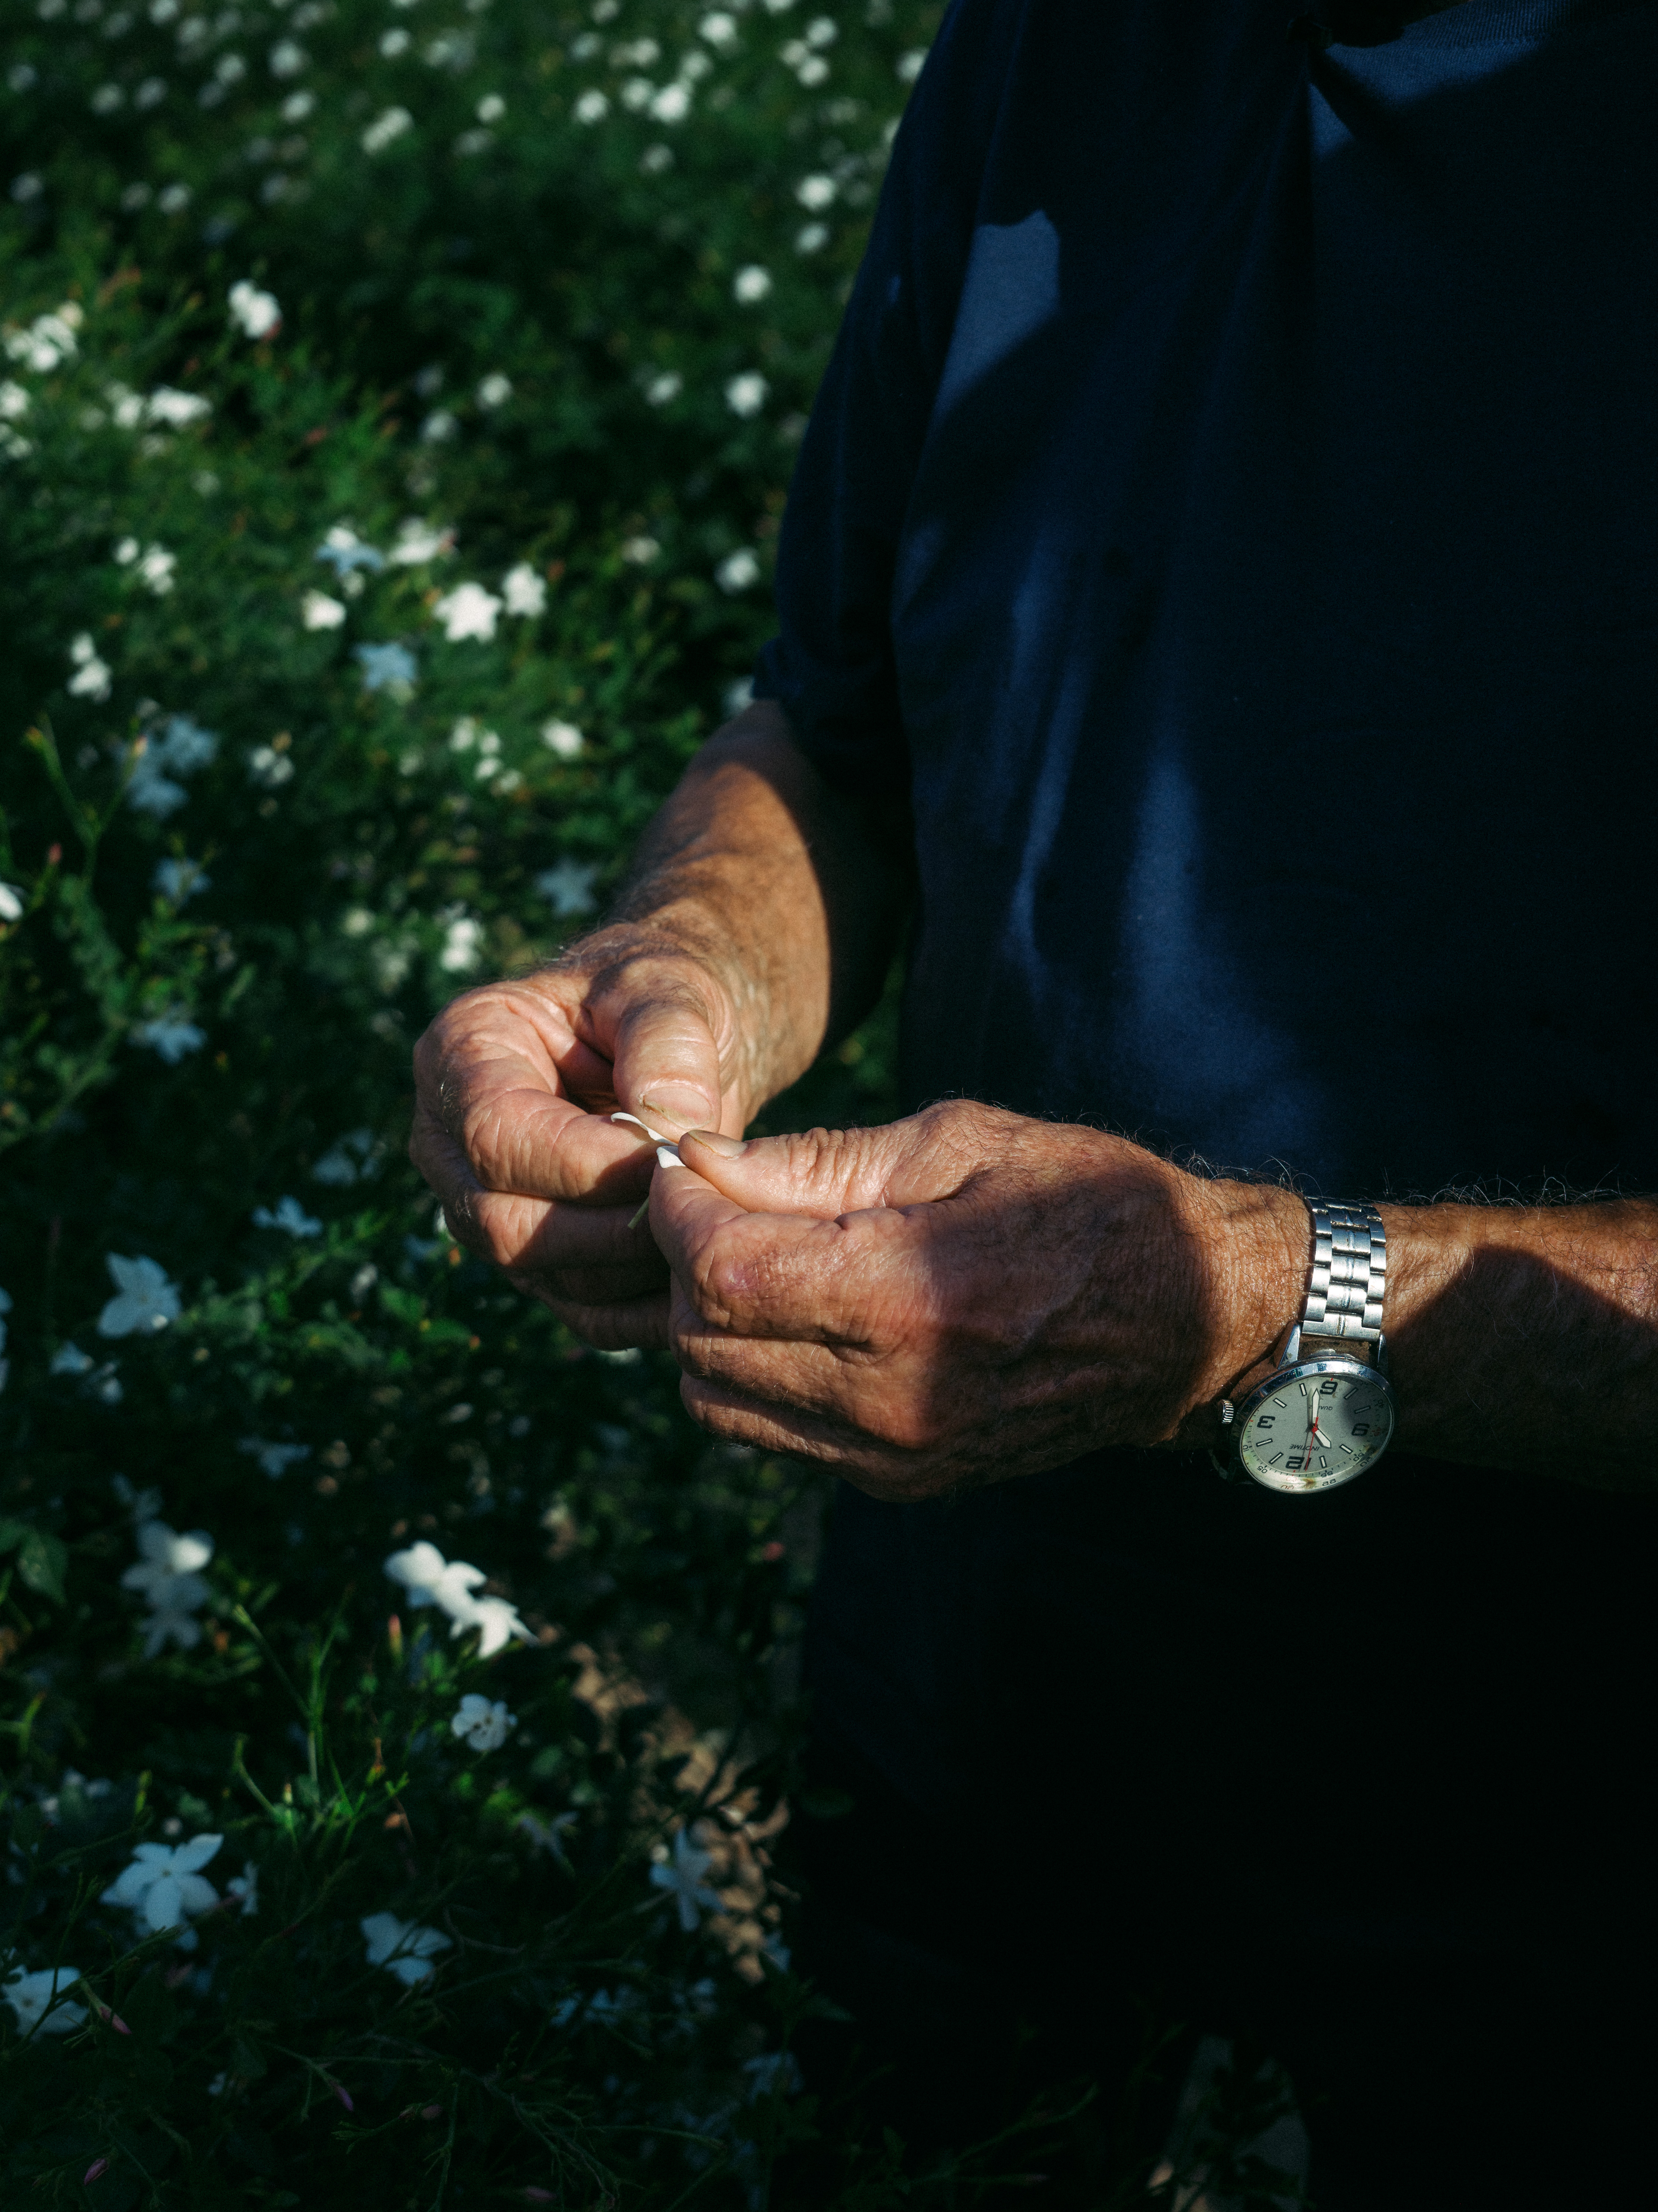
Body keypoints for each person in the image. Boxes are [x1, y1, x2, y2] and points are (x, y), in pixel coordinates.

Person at [412, 0, 1658, 2200]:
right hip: (975, 1650)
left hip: (1569, 1807)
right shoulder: (1058, 52)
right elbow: (841, 734)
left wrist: (1268, 1302)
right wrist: (677, 969)